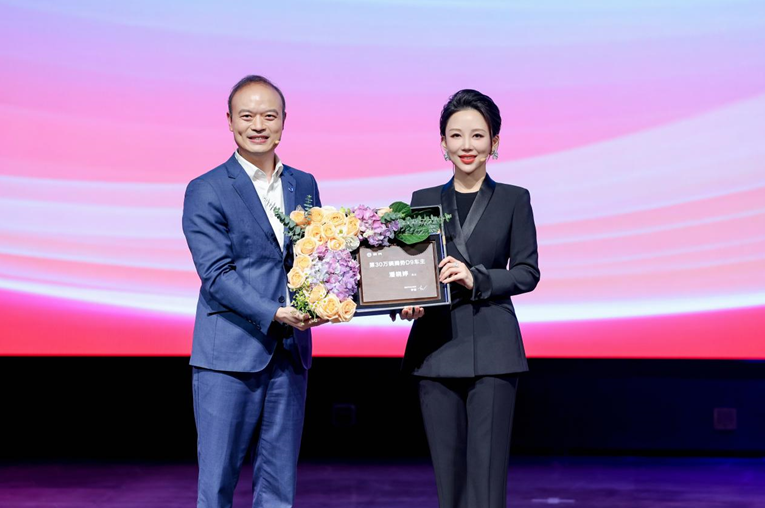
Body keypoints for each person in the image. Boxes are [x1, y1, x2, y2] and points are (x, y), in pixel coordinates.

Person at [182, 75, 325, 508]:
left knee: (279, 487)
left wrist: (325, 300)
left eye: (269, 116)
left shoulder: (304, 183)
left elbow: (315, 257)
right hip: (228, 354)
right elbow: (216, 274)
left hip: (290, 353)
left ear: (283, 121)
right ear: (229, 121)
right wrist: (275, 312)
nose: (258, 125)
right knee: (217, 486)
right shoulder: (207, 188)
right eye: (247, 116)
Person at [397, 89, 540, 508]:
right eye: (456, 135)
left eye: (478, 135)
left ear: (494, 142)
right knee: (450, 482)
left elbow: (527, 272)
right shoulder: (422, 201)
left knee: (487, 483)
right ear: (442, 143)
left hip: (494, 350)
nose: (467, 145)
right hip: (436, 349)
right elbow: (414, 273)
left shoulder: (514, 198)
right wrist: (408, 302)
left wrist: (475, 278)